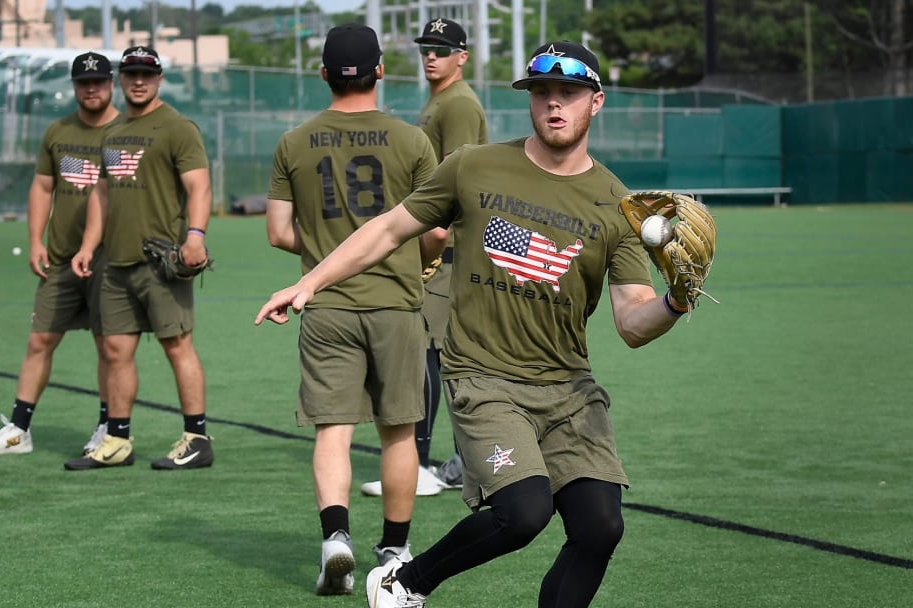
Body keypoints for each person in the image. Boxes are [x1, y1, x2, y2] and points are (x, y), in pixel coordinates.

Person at [256, 41, 690, 608]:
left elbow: (632, 320)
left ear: (596, 101)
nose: (554, 106)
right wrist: (310, 282)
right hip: (485, 380)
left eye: (569, 93)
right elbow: (388, 230)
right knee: (523, 511)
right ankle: (403, 583)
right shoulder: (475, 165)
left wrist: (677, 299)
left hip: (569, 390)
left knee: (600, 526)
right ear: (529, 102)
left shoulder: (617, 205)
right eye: (541, 94)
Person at [260, 23, 440, 596]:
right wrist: (418, 254)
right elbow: (434, 229)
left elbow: (278, 232)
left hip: (327, 303)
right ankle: (394, 548)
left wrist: (322, 253)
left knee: (332, 432)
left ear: (323, 74)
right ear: (380, 70)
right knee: (399, 432)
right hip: (396, 304)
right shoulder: (411, 141)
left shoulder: (293, 142)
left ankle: (336, 538)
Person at [64, 45, 215, 472]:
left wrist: (195, 236)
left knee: (176, 345)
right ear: (120, 79)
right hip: (117, 262)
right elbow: (103, 193)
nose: (138, 80)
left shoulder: (176, 127)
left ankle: (197, 438)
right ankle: (118, 439)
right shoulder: (113, 132)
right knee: (115, 349)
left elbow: (199, 187)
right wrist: (88, 246)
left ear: (159, 78)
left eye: (146, 74)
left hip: (161, 258)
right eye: (130, 73)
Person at [360, 16, 488, 499]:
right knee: (434, 354)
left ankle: (428, 464)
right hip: (438, 242)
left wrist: (435, 245)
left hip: (447, 248)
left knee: (431, 354)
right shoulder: (442, 99)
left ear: (462, 56)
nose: (431, 55)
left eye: (442, 48)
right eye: (426, 48)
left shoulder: (456, 104)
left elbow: (459, 178)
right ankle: (449, 460)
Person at [0, 51, 121, 458]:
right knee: (40, 339)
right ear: (74, 87)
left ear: (111, 84)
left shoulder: (128, 132)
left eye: (99, 81)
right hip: (61, 256)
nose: (91, 89)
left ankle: (108, 427)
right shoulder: (58, 132)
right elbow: (42, 188)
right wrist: (36, 241)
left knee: (109, 346)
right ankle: (19, 430)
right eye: (83, 83)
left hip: (111, 260)